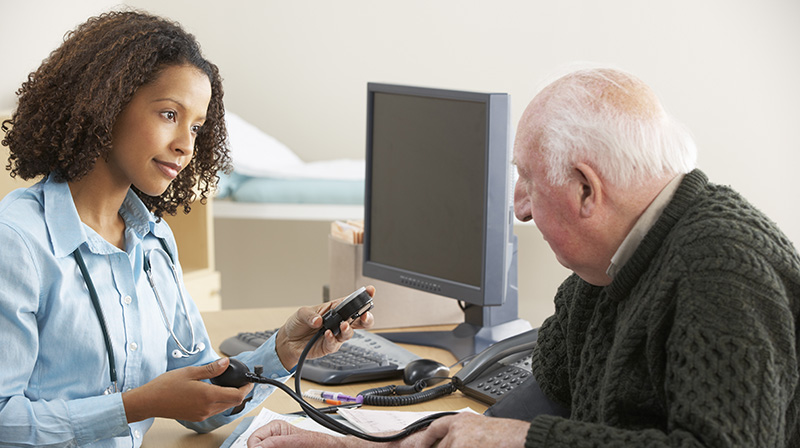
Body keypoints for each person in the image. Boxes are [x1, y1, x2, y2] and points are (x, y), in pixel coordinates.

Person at [246, 68, 800, 447]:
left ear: (587, 189)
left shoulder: (724, 273)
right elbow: (540, 399)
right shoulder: (604, 268)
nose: (518, 208)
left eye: (527, 180)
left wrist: (525, 441)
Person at [0, 10, 374, 448]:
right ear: (106, 103)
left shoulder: (153, 239)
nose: (186, 144)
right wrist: (137, 406)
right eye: (168, 115)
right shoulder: (18, 242)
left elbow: (201, 397)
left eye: (196, 127)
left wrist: (283, 351)